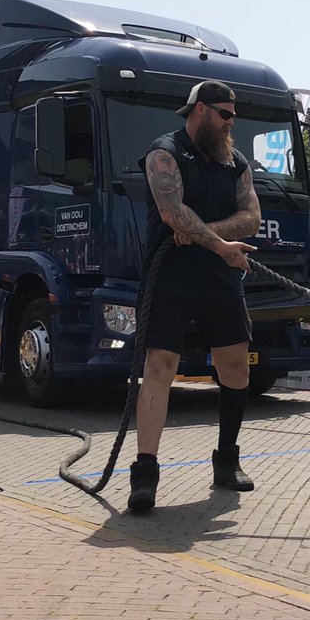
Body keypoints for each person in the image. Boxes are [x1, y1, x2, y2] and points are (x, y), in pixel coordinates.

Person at [131, 80, 261, 513]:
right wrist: (214, 240)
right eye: (225, 114)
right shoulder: (163, 153)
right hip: (169, 276)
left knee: (235, 368)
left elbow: (251, 218)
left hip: (219, 278)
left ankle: (227, 461)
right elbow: (173, 213)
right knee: (160, 367)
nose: (230, 123)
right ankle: (144, 474)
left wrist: (208, 237)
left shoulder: (234, 161)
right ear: (200, 110)